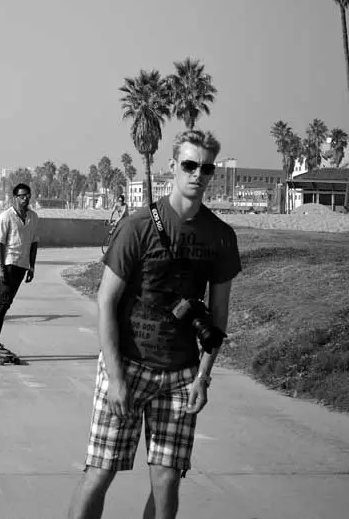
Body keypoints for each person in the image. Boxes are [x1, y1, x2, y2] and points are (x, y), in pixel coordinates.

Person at [68, 130, 242, 519]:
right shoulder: (138, 225)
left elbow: (219, 315)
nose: (198, 174)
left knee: (166, 481)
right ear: (172, 167)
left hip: (181, 375)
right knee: (101, 471)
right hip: (128, 364)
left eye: (206, 167)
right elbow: (106, 300)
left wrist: (203, 377)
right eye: (189, 165)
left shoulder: (221, 237)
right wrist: (115, 377)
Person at [0, 183, 39, 352]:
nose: (25, 199)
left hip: (22, 264)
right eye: (22, 196)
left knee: (5, 302)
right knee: (4, 301)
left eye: (28, 195)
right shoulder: (5, 217)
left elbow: (34, 242)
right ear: (15, 197)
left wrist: (32, 267)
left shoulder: (33, 217)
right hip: (8, 263)